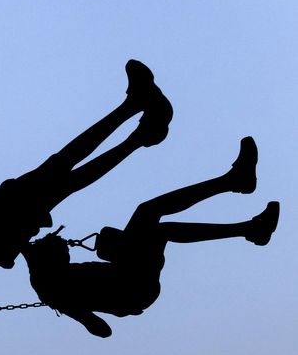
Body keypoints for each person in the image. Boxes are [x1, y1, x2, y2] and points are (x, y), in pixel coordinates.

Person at [0, 59, 172, 268]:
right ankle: (134, 111)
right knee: (63, 165)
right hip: (7, 216)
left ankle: (139, 132)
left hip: (8, 218)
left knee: (69, 174)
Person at [22, 137, 280, 337]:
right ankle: (236, 189)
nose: (67, 248)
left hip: (131, 279)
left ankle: (246, 216)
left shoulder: (52, 278)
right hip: (133, 287)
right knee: (147, 214)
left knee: (154, 225)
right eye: (59, 248)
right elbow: (101, 329)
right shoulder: (50, 287)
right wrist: (79, 312)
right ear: (47, 259)